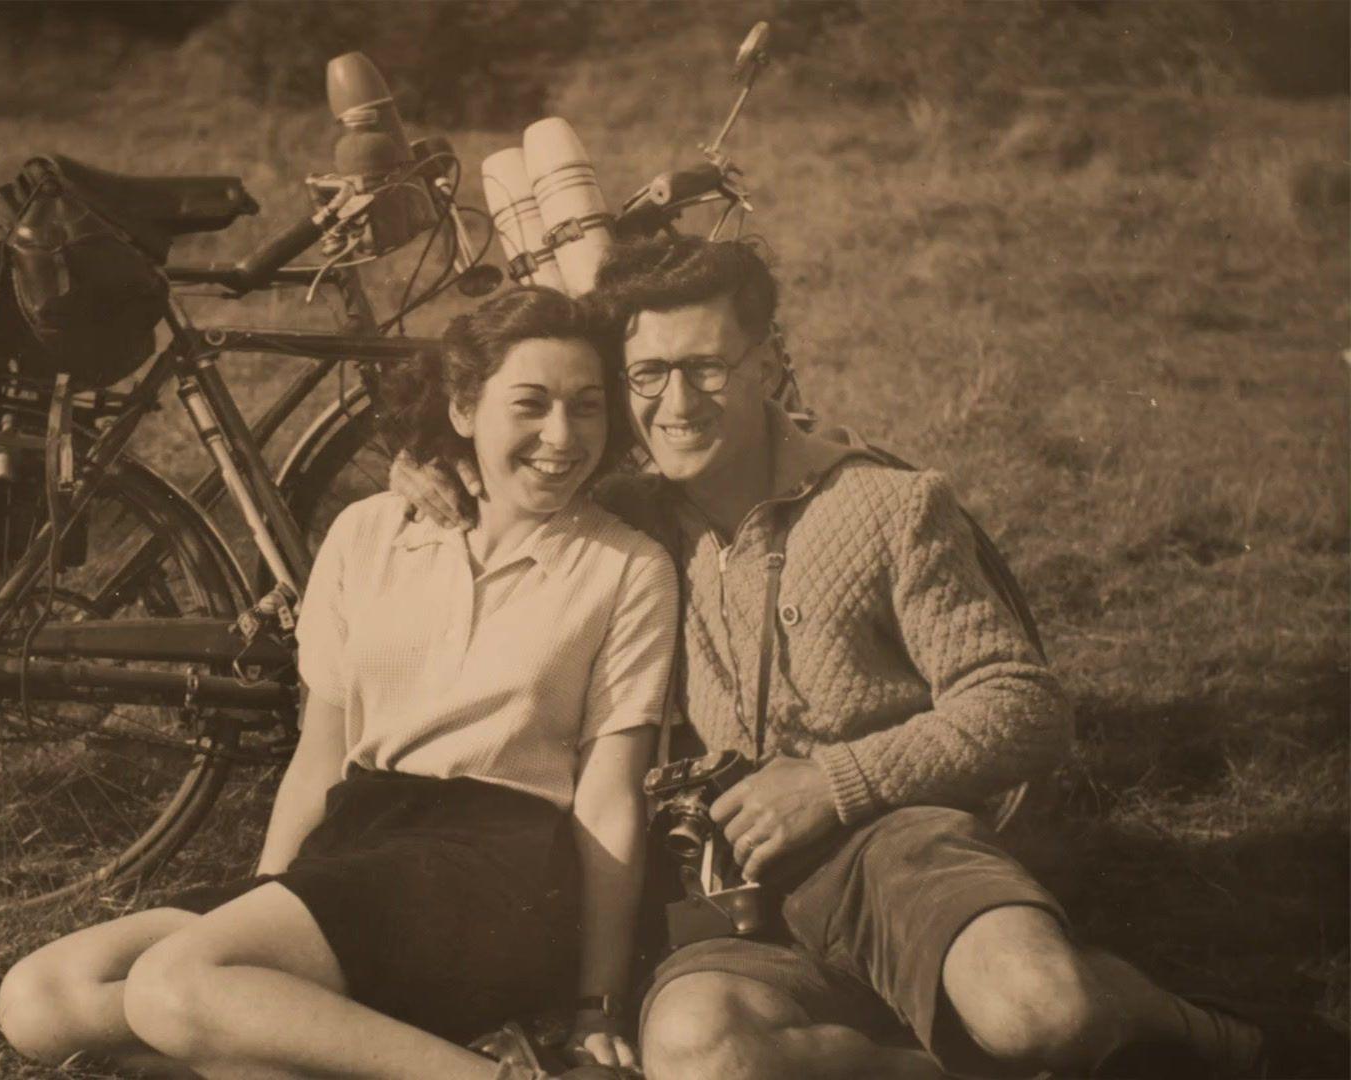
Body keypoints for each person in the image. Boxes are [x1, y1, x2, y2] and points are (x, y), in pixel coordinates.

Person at [393, 236, 1329, 1079]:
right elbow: (509, 466)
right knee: (696, 1059)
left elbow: (1024, 704)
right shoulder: (630, 516)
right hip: (730, 890)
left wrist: (834, 782)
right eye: (647, 375)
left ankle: (1190, 1029)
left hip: (898, 842)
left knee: (1045, 1012)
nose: (675, 405)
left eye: (709, 367)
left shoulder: (888, 505)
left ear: (770, 363)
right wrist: (438, 473)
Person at [0, 286, 677, 1079]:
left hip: (499, 866)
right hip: (363, 838)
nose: (561, 437)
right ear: (463, 409)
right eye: (530, 405)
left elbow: (608, 797)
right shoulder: (369, 532)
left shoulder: (628, 568)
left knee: (173, 987)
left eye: (587, 407)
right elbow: (320, 756)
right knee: (44, 998)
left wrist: (598, 999)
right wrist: (261, 920)